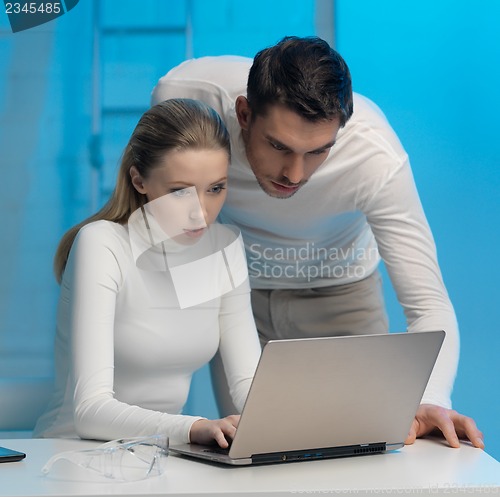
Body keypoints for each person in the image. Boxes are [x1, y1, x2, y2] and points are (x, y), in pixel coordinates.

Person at [151, 36, 484, 449]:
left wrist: (431, 399)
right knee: (253, 452)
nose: (294, 173)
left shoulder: (374, 158)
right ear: (243, 113)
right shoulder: (187, 99)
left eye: (317, 152)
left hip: (340, 294)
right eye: (279, 146)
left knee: (366, 456)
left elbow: (429, 304)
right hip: (237, 295)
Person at [33, 98, 262, 448]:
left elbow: (249, 384)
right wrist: (193, 427)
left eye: (215, 188)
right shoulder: (102, 244)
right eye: (179, 192)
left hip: (158, 460)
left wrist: (296, 424)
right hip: (69, 457)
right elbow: (90, 410)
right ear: (139, 180)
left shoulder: (224, 247)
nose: (200, 212)